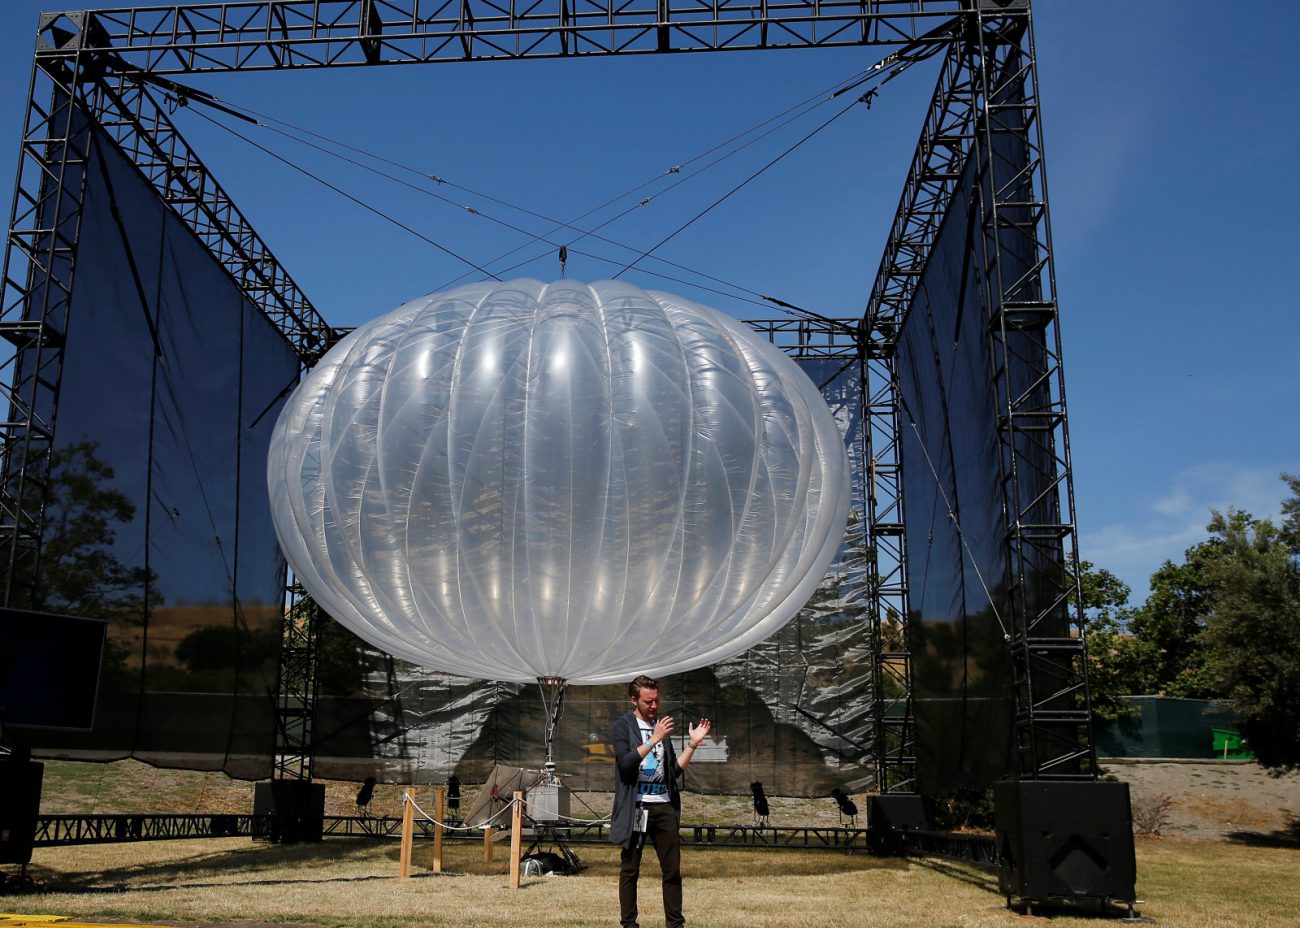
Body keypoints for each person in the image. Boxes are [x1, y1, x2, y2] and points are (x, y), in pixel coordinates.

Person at [610, 674, 711, 928]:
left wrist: (693, 745)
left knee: (672, 870)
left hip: (664, 806)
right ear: (634, 700)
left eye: (657, 700)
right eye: (648, 702)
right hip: (637, 807)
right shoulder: (624, 726)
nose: (654, 706)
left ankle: (675, 924)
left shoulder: (661, 727)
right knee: (631, 868)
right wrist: (653, 738)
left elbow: (673, 771)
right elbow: (625, 764)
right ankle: (629, 924)